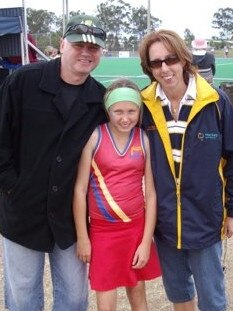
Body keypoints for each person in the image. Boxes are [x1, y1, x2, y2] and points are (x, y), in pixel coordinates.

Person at [0, 14, 107, 311]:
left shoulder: (100, 100)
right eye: (78, 45)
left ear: (101, 54)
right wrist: (11, 186)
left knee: (74, 298)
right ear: (62, 44)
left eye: (94, 48)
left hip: (71, 217)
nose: (86, 52)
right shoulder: (23, 81)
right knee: (23, 298)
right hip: (22, 209)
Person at [139, 29, 233, 311]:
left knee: (213, 301)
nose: (165, 68)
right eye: (156, 63)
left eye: (171, 59)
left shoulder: (215, 102)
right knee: (179, 295)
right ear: (149, 68)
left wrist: (232, 209)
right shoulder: (143, 106)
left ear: (184, 59)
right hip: (165, 224)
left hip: (205, 220)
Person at [73, 78, 161, 311]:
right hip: (103, 232)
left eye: (131, 111)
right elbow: (80, 190)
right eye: (118, 111)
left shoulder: (143, 139)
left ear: (139, 111)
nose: (125, 118)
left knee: (138, 293)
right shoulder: (95, 137)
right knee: (106, 301)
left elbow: (151, 194)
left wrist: (145, 241)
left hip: (135, 229)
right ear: (107, 110)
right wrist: (83, 237)